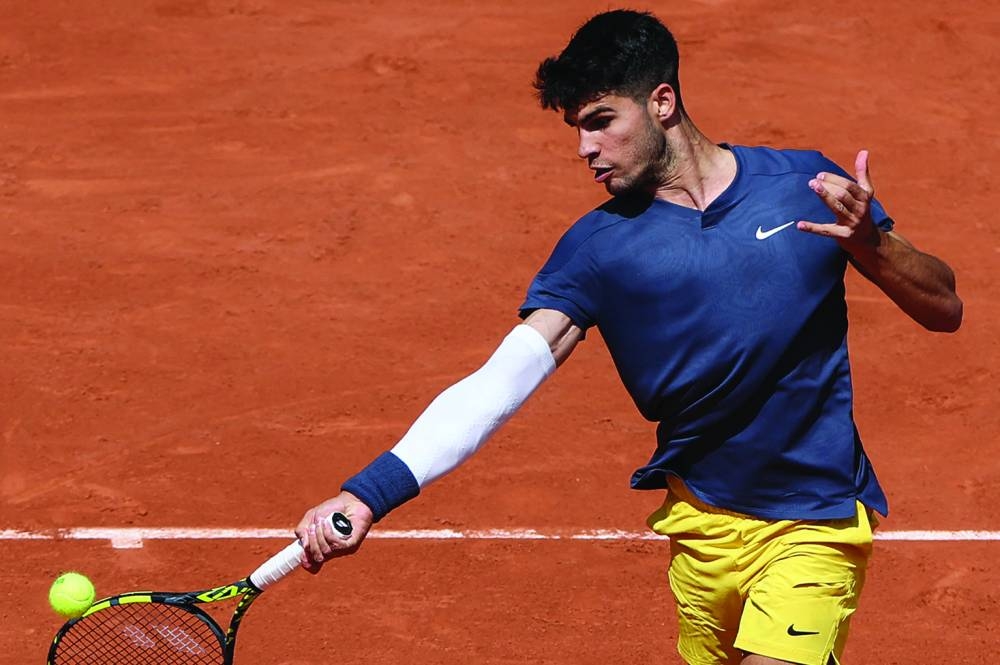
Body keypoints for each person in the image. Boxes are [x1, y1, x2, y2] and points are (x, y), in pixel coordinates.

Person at [294, 10, 962, 665]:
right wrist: (370, 489)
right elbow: (498, 384)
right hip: (701, 529)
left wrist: (874, 245)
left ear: (662, 101)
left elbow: (943, 304)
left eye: (600, 121)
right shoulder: (598, 251)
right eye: (576, 128)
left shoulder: (800, 187)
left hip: (816, 521)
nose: (584, 147)